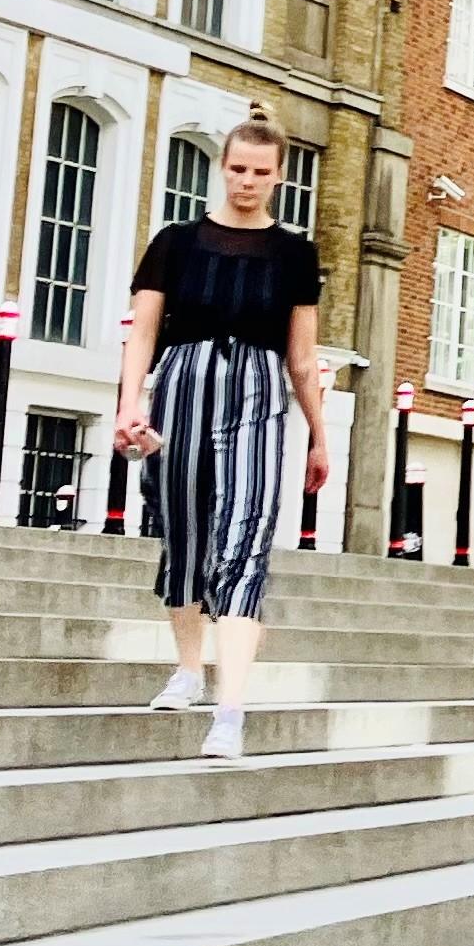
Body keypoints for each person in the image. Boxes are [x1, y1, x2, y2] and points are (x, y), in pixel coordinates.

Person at [114, 113, 330, 763]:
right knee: (184, 533)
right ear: (222, 167)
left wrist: (319, 435)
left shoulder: (296, 254)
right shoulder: (176, 242)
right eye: (238, 169)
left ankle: (229, 709)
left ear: (278, 177)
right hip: (182, 388)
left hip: (261, 396)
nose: (247, 181)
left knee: (245, 543)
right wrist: (130, 405)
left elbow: (302, 355)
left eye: (261, 173)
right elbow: (143, 333)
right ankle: (187, 667)